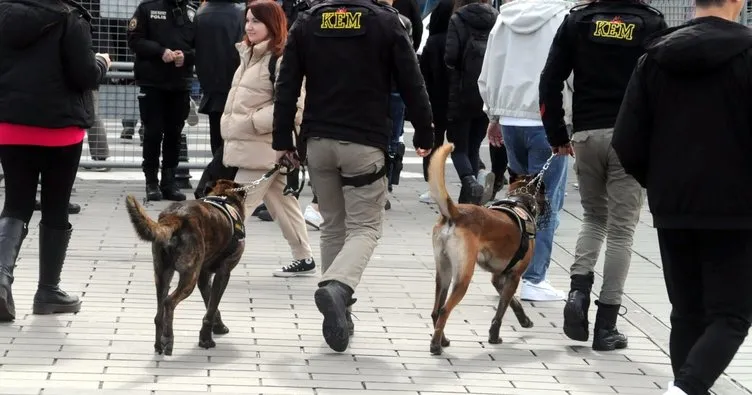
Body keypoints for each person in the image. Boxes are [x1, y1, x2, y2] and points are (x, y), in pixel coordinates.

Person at [272, 0, 434, 352]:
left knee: (332, 225)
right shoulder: (386, 22)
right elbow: (412, 82)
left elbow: (286, 84)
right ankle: (338, 287)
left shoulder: (308, 21)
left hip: (318, 142)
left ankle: (340, 313)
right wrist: (425, 132)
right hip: (364, 143)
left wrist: (283, 139)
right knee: (365, 227)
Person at [612, 0, 752, 392]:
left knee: (686, 314)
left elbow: (626, 139)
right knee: (732, 315)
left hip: (673, 206)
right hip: (737, 210)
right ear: (738, 3)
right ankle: (685, 387)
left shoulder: (655, 58)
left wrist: (658, 182)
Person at [539, 0, 666, 350]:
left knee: (594, 219)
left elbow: (550, 79)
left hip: (586, 135)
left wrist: (557, 135)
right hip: (631, 137)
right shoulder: (650, 23)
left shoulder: (578, 20)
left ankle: (577, 295)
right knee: (622, 232)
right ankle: (606, 325)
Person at [0, 0, 111, 322]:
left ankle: (1, 278)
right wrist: (101, 63)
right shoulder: (70, 18)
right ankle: (48, 291)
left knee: (16, 203)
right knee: (56, 205)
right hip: (59, 128)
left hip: (10, 124)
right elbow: (84, 75)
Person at [478, 0, 573, 302]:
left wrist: (493, 114)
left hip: (510, 119)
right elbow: (571, 72)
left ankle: (511, 267)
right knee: (545, 205)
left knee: (519, 200)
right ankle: (534, 277)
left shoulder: (505, 17)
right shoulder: (565, 17)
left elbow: (489, 68)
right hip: (546, 120)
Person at [222, 0, 317, 277]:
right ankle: (304, 258)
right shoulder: (249, 55)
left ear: (272, 25)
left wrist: (251, 122)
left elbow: (293, 105)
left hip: (263, 147)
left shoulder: (281, 58)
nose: (249, 26)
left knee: (235, 205)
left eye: (256, 21)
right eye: (248, 20)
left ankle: (213, 257)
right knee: (282, 204)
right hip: (257, 146)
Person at [126, 0, 197, 202]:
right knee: (153, 133)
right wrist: (160, 51)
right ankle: (151, 182)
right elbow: (134, 40)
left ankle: (169, 182)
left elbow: (200, 48)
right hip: (152, 83)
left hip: (179, 84)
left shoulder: (191, 12)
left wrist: (186, 56)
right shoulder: (147, 8)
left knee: (174, 134)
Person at [444, 0, 498, 205]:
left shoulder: (458, 19)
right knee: (474, 145)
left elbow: (450, 56)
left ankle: (469, 181)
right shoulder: (496, 17)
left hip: (461, 91)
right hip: (486, 93)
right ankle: (470, 201)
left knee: (458, 147)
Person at [194, 0, 245, 156]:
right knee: (236, 143)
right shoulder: (240, 13)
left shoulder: (201, 13)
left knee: (216, 142)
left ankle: (217, 176)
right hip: (237, 84)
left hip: (211, 85)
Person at [417, 0, 452, 204]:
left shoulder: (433, 42)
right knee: (464, 144)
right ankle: (473, 173)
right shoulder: (461, 37)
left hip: (435, 99)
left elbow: (424, 76)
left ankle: (433, 187)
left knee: (433, 142)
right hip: (458, 99)